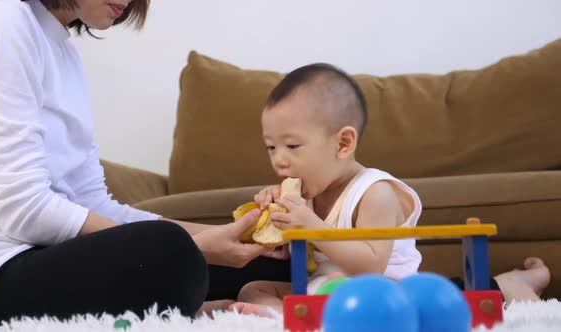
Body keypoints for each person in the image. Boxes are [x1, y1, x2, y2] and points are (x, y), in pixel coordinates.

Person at [0, 0, 290, 326]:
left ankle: (196, 302)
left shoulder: (65, 54)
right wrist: (194, 245)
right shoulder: (1, 19)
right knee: (169, 252)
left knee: (269, 263)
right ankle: (199, 307)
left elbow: (93, 201)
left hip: (44, 255)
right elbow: (23, 210)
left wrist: (223, 234)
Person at [228, 63, 551, 317]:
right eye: (271, 147)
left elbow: (370, 266)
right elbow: (314, 257)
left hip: (386, 294)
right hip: (329, 289)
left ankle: (512, 284)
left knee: (456, 301)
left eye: (293, 145)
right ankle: (283, 316)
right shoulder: (310, 193)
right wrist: (281, 235)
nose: (279, 161)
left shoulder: (374, 192)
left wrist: (311, 227)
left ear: (342, 143)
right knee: (254, 288)